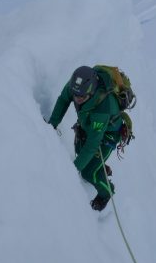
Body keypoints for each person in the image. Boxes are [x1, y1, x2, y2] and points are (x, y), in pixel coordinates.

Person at [47, 66, 124, 211]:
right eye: (75, 95)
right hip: (89, 124)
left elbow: (93, 144)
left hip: (108, 135)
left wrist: (71, 170)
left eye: (81, 97)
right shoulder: (77, 87)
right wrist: (52, 125)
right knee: (79, 148)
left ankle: (106, 192)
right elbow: (64, 99)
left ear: (92, 91)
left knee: (88, 172)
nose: (77, 99)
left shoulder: (103, 106)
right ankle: (98, 166)